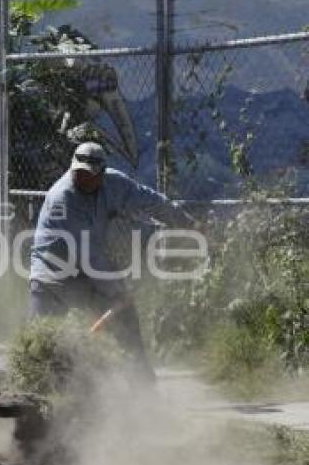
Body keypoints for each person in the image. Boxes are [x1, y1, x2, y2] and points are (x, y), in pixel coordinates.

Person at [29, 142, 195, 382]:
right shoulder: (63, 199)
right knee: (41, 341)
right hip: (51, 274)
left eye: (88, 174)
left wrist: (184, 221)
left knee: (126, 320)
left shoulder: (115, 184)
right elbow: (88, 256)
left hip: (85, 272)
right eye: (78, 172)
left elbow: (150, 201)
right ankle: (39, 389)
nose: (82, 178)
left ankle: (142, 388)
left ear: (102, 173)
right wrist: (117, 291)